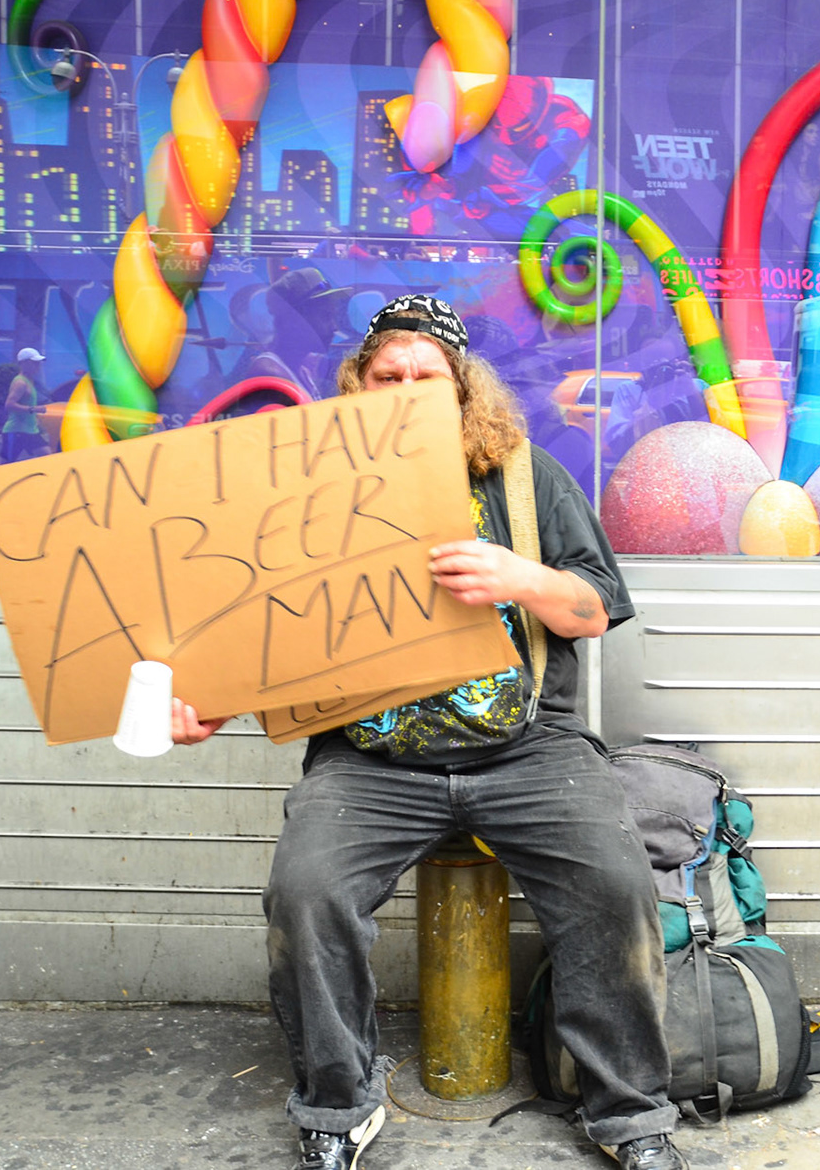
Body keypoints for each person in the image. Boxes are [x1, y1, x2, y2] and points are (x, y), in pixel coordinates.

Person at [169, 294, 687, 1170]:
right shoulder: (306, 493)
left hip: (528, 747)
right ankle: (338, 1105)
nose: (406, 389)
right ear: (358, 384)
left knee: (614, 884)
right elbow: (262, 630)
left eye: (426, 376)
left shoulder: (521, 477)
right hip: (369, 761)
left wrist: (517, 575)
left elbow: (596, 609)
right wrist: (211, 701)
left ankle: (630, 1115)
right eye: (388, 374)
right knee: (306, 893)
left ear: (461, 393)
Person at [0, 348, 49, 462]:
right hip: (16, 431)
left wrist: (35, 420)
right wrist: (33, 409)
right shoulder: (20, 383)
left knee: (47, 455)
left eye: (38, 363)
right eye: (34, 363)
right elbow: (9, 404)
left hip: (30, 431)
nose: (38, 366)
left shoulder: (29, 381)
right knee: (4, 464)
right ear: (24, 363)